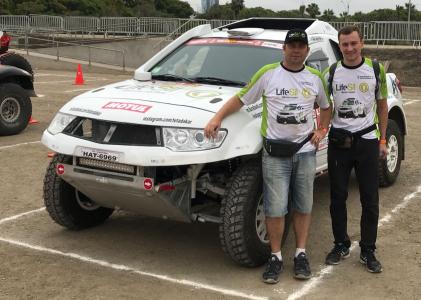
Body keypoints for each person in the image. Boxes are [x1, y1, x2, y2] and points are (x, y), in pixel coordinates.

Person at [205, 29, 332, 283]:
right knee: (275, 209)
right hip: (275, 154)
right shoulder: (268, 74)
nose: (296, 50)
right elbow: (240, 100)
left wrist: (321, 129)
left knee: (303, 205)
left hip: (305, 152)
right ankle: (275, 256)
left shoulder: (315, 77)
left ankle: (300, 254)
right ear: (284, 49)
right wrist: (217, 118)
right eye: (292, 45)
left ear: (307, 51)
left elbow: (327, 107)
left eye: (301, 46)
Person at [323, 25, 388, 273]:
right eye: (344, 45)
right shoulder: (331, 73)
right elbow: (324, 106)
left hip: (368, 141)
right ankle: (340, 244)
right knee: (337, 197)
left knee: (370, 198)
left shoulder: (374, 69)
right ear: (339, 47)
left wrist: (382, 140)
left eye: (353, 43)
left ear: (362, 43)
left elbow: (382, 106)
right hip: (339, 142)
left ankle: (368, 250)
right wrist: (321, 130)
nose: (349, 49)